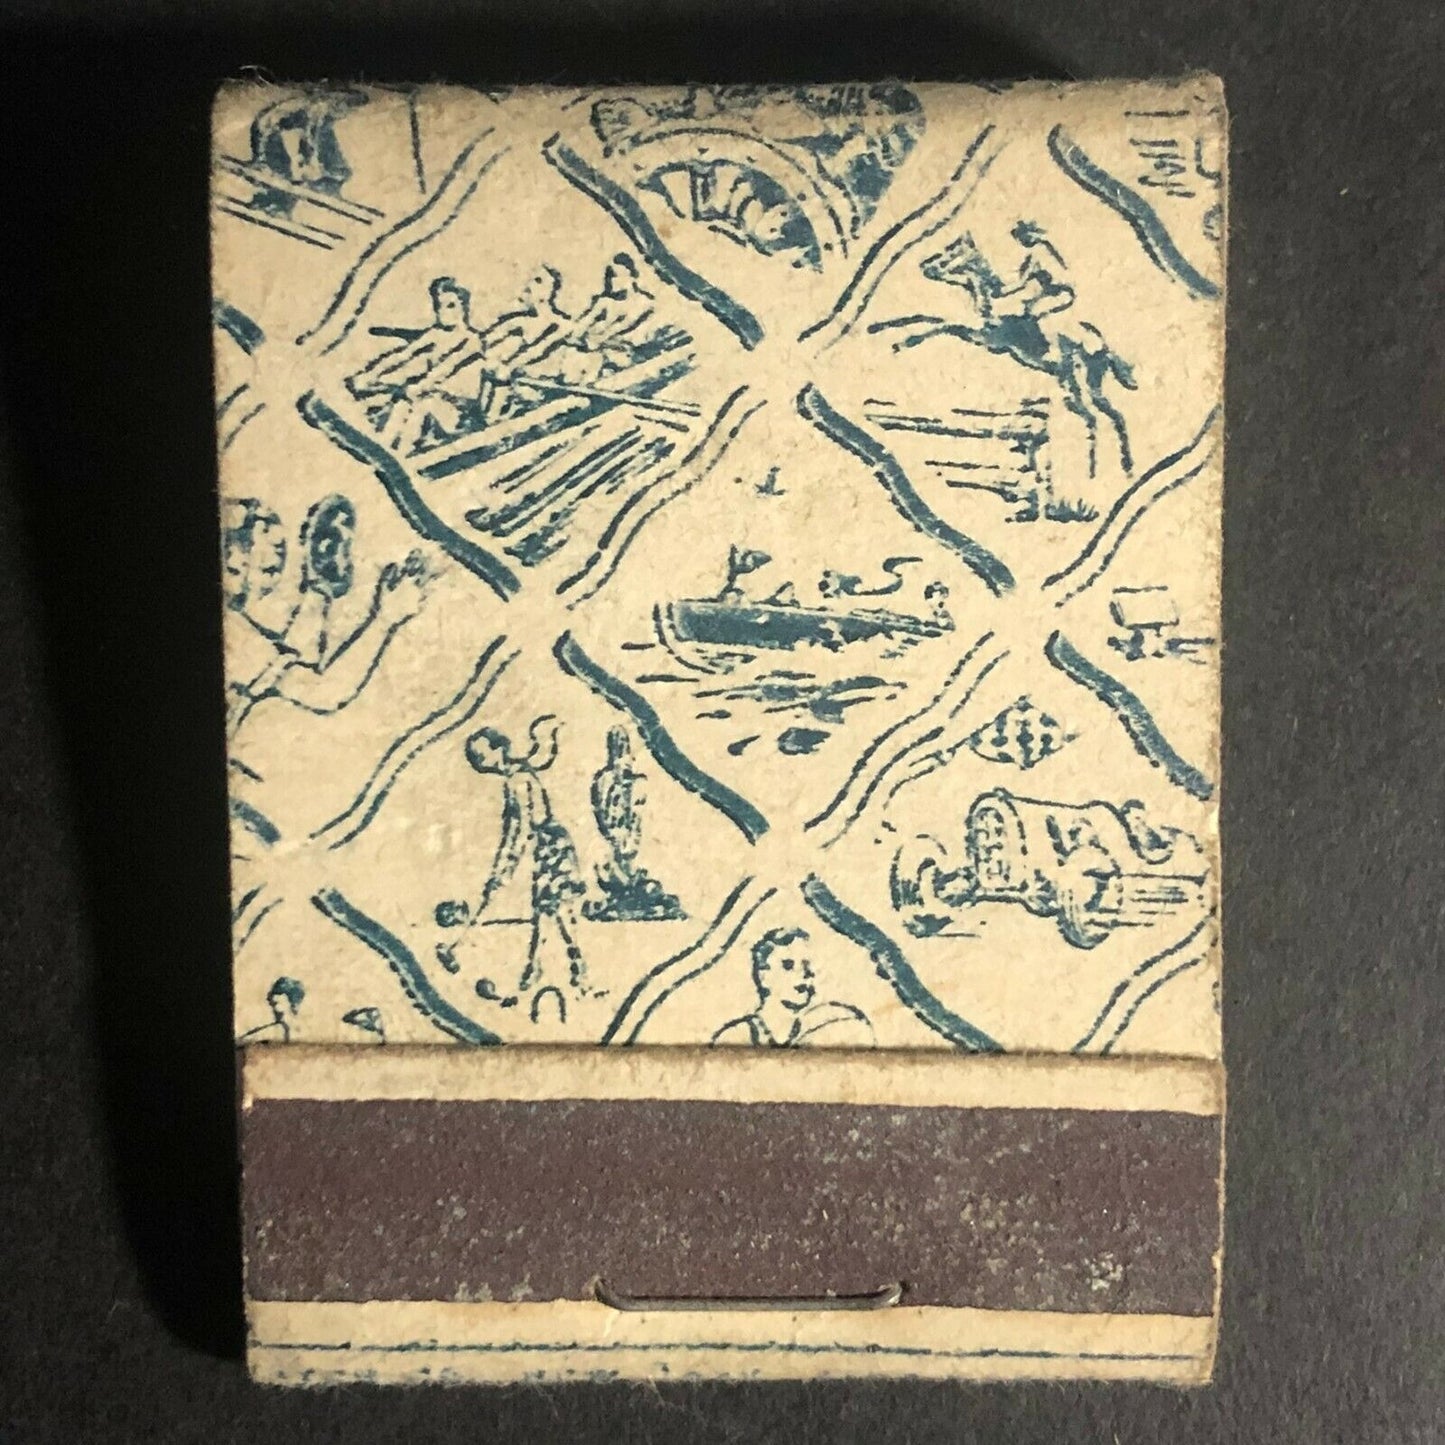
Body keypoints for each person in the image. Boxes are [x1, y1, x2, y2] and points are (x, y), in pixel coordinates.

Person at [222, 495, 430, 744]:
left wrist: (319, 590)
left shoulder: (242, 632)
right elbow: (320, 690)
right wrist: (385, 619)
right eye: (260, 530)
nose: (279, 541)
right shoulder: (238, 640)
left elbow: (291, 665)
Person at [464, 717, 589, 994]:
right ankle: (548, 964)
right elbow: (514, 828)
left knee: (556, 906)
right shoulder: (515, 776)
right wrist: (503, 869)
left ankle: (564, 964)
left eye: (481, 753)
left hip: (552, 844)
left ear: (498, 748)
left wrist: (503, 872)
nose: (478, 760)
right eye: (474, 756)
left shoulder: (518, 780)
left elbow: (519, 829)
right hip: (548, 843)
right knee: (547, 907)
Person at [347, 277, 494, 453]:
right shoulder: (436, 333)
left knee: (423, 404)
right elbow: (403, 355)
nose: (442, 311)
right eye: (438, 306)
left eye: (450, 306)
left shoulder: (472, 340)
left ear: (463, 307)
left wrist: (419, 387)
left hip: (461, 412)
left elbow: (446, 368)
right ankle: (384, 447)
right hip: (436, 399)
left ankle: (403, 451)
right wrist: (371, 375)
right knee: (402, 402)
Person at [711, 927, 873, 1047]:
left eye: (806, 965)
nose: (803, 973)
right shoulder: (737, 1035)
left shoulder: (828, 1023)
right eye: (788, 965)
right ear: (764, 976)